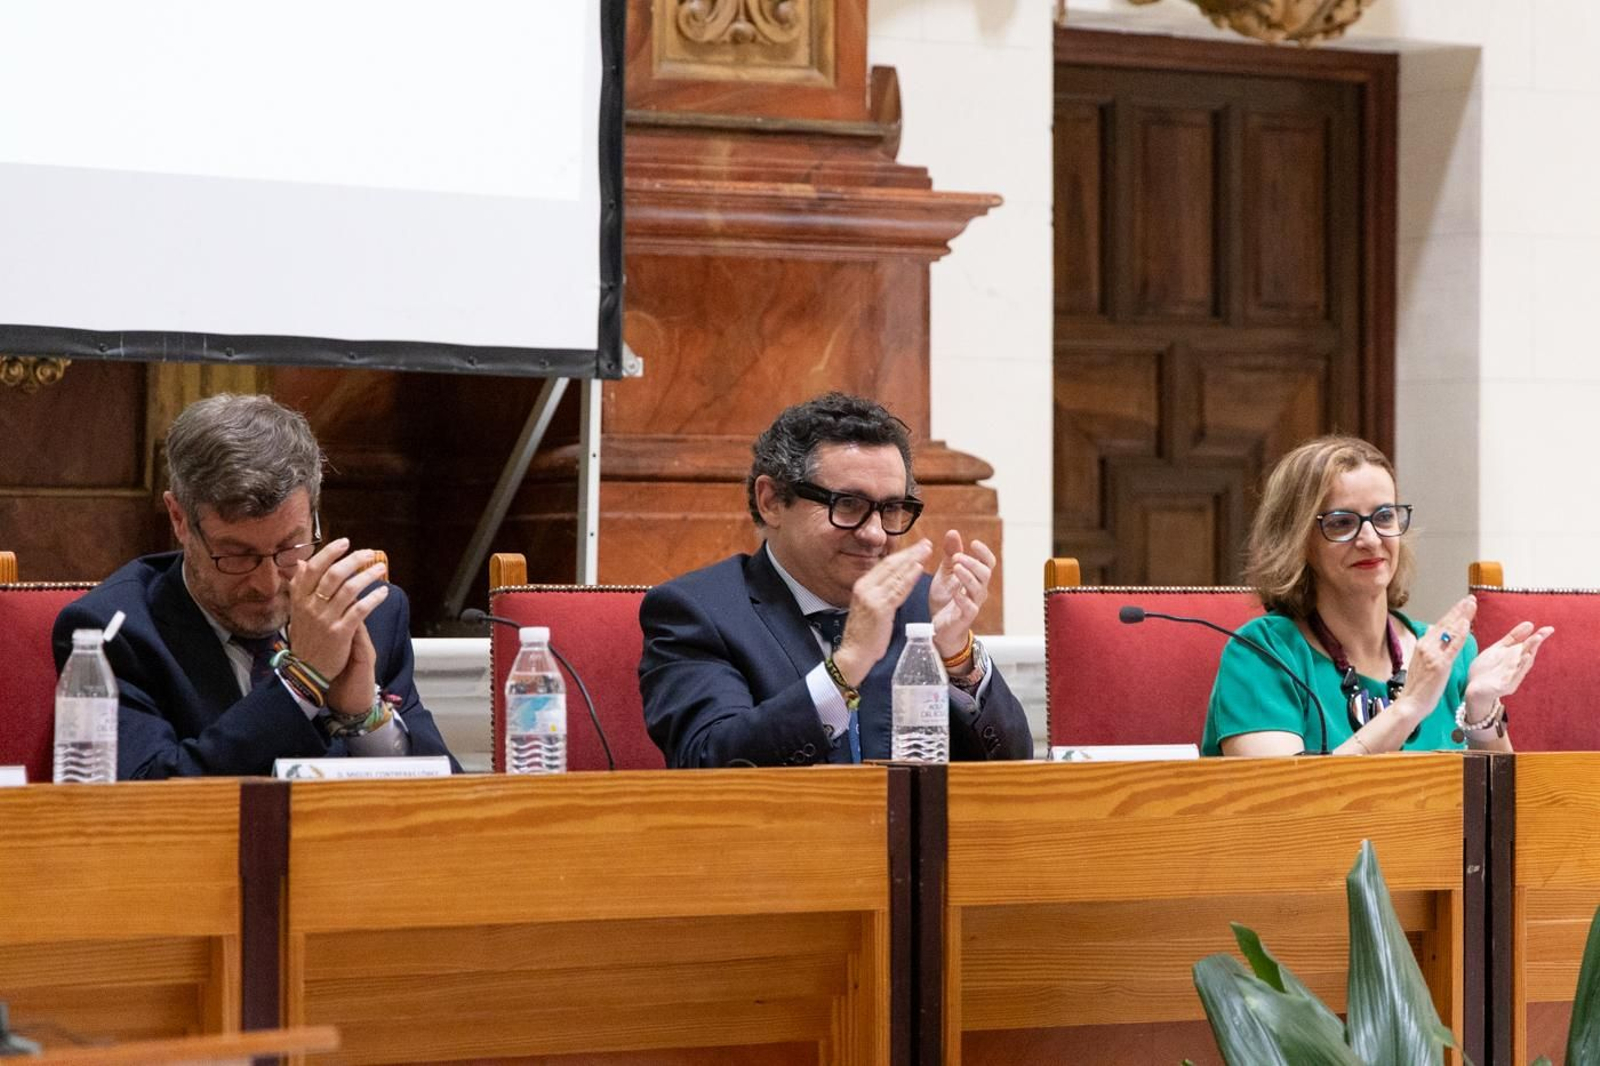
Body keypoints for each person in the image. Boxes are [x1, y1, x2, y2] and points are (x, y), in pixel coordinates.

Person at [52, 394, 458, 778]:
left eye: (289, 547)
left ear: (314, 515)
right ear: (179, 519)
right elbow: (146, 795)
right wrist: (302, 683)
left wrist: (363, 716)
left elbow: (454, 806)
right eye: (237, 555)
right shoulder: (113, 633)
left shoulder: (369, 613)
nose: (266, 584)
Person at [639, 392, 1033, 767]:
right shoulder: (698, 612)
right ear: (772, 501)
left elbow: (1013, 768)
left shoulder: (921, 606)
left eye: (892, 508)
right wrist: (847, 666)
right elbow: (709, 763)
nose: (875, 534)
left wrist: (957, 655)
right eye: (847, 505)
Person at [1202, 435, 1551, 757]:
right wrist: (1408, 705)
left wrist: (1481, 706)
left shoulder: (1449, 657)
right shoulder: (1263, 655)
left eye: (1384, 516)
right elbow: (1284, 807)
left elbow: (1501, 813)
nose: (1370, 539)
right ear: (1297, 541)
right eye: (1341, 522)